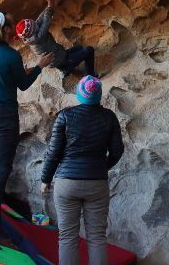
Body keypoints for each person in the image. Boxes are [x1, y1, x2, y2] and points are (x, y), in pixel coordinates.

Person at [0, 11, 54, 240]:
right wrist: (40, 65)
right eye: (12, 23)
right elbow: (23, 84)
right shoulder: (10, 55)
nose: (15, 26)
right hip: (2, 117)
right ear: (5, 29)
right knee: (1, 169)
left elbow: (5, 78)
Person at [40, 75, 124, 265]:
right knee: (97, 237)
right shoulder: (109, 117)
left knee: (68, 236)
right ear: (99, 95)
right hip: (97, 184)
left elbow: (53, 153)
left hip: (66, 183)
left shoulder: (65, 116)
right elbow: (117, 151)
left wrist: (45, 179)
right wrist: (102, 168)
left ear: (80, 94)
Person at [16, 0, 96, 78]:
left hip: (58, 57)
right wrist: (50, 3)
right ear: (33, 30)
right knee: (89, 50)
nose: (36, 23)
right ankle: (91, 77)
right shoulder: (39, 37)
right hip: (61, 60)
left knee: (79, 48)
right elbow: (46, 21)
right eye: (34, 25)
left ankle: (66, 69)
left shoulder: (30, 36)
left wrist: (49, 6)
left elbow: (39, 20)